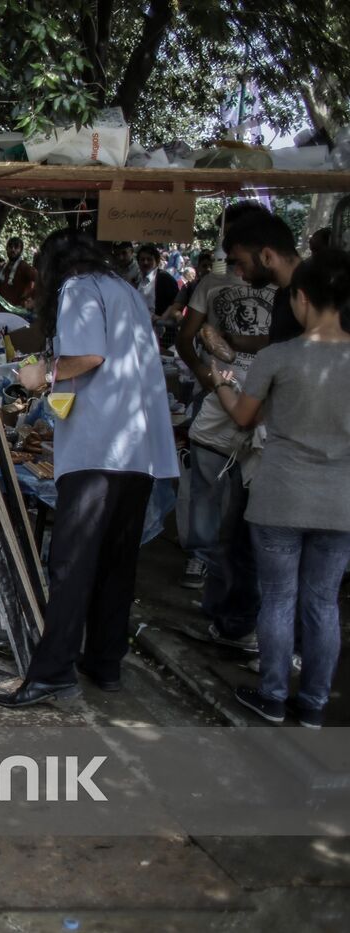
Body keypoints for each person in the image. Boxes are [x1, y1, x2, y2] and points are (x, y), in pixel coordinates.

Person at [0, 230, 179, 708]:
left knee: (71, 563)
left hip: (100, 448)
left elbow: (89, 356)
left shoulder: (79, 288)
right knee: (117, 561)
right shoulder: (126, 291)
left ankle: (52, 671)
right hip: (138, 449)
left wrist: (43, 374)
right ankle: (104, 661)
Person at [212, 248, 350, 728]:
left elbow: (245, 417)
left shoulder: (278, 357)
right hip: (341, 503)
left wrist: (220, 382)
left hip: (281, 497)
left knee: (278, 599)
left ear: (303, 299)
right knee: (322, 602)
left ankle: (271, 696)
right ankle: (312, 704)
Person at [173, 244, 272, 611]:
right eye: (235, 260)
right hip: (215, 401)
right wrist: (206, 376)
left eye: (242, 260)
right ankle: (202, 556)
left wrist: (232, 341)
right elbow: (187, 336)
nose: (239, 269)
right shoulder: (212, 283)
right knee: (207, 486)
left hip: (263, 404)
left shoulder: (286, 289)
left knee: (245, 498)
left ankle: (232, 587)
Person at [223, 212, 303, 345]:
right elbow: (279, 345)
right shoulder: (284, 294)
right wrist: (229, 341)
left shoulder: (315, 296)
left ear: (267, 256)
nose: (237, 272)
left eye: (241, 263)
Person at [136, 243, 180, 327]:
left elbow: (176, 302)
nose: (145, 262)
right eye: (142, 259)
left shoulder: (164, 278)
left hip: (160, 330)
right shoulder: (138, 279)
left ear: (157, 261)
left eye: (149, 259)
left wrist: (162, 318)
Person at [0, 236, 36, 311]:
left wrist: (30, 299)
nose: (13, 249)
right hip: (1, 311)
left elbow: (41, 281)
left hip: (17, 313)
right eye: (10, 246)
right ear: (6, 248)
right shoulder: (3, 267)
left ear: (21, 250)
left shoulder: (24, 267)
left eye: (16, 247)